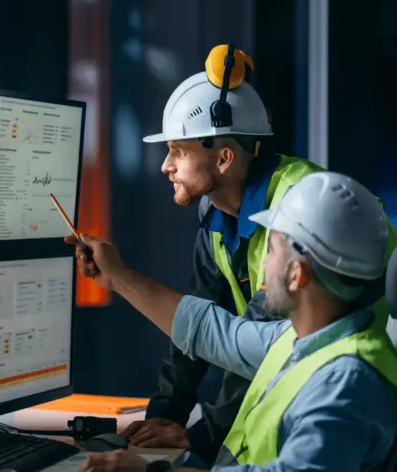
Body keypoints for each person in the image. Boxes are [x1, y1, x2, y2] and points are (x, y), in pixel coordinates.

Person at [69, 171, 397, 472]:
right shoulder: (304, 339)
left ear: (296, 275)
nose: (264, 264)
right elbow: (215, 333)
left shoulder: (346, 383)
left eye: (272, 249)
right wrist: (119, 278)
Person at [113, 43, 327, 465]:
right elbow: (196, 317)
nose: (165, 166)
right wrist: (165, 417)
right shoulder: (217, 214)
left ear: (224, 157)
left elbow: (255, 344)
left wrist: (202, 433)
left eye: (178, 151)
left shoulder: (298, 209)